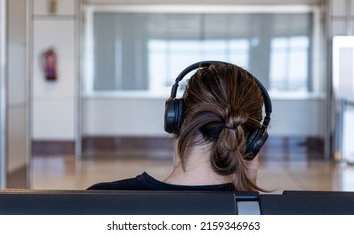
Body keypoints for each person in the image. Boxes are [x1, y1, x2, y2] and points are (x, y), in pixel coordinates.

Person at [87, 61, 271, 192]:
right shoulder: (259, 218)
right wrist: (246, 196)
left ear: (176, 119)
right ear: (253, 142)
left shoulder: (100, 199)